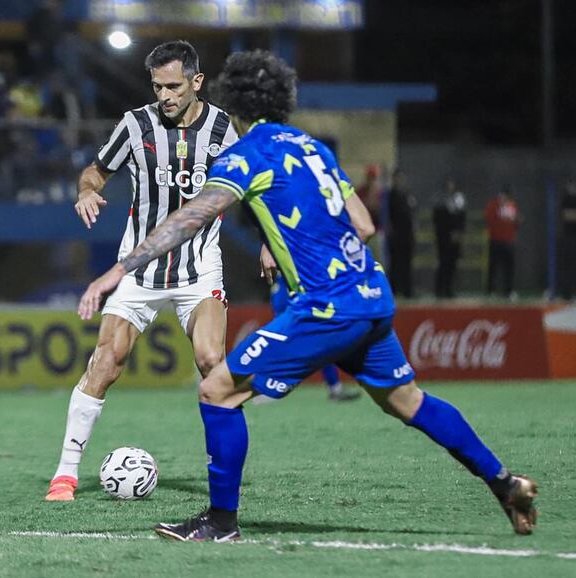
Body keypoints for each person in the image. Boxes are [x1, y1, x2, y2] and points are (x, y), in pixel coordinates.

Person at [78, 50, 538, 541]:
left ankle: (220, 522)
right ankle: (506, 484)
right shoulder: (313, 148)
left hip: (327, 306)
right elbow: (363, 223)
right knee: (408, 400)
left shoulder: (248, 153)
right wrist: (295, 242)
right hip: (372, 296)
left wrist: (118, 270)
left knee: (217, 391)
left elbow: (192, 216)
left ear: (229, 100)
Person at [45, 41, 238, 502]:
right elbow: (95, 171)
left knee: (213, 364)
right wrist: (86, 191)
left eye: (174, 86)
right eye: (157, 87)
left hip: (199, 271)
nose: (165, 95)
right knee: (106, 361)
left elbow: (253, 189)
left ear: (196, 82)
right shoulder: (136, 125)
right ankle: (65, 475)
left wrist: (271, 247)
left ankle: (222, 477)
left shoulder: (225, 130)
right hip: (139, 269)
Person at [269, 271, 359, 401]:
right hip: (291, 306)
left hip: (299, 302)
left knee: (321, 344)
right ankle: (264, 387)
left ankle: (334, 387)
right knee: (282, 345)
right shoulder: (285, 273)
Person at [484, 185, 521, 298]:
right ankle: (491, 291)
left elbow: (516, 223)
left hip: (509, 241)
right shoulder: (493, 204)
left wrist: (516, 220)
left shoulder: (512, 205)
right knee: (493, 267)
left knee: (509, 268)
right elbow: (488, 219)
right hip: (495, 240)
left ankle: (508, 291)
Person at [386, 168, 416, 298]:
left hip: (407, 235)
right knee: (395, 264)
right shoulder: (390, 196)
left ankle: (407, 290)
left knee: (406, 263)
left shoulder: (407, 195)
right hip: (396, 236)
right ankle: (394, 289)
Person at [433, 178, 465, 298]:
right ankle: (440, 290)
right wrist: (446, 233)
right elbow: (437, 220)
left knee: (453, 264)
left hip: (455, 238)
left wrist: (458, 233)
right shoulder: (440, 200)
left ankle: (450, 289)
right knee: (443, 263)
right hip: (443, 238)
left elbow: (461, 218)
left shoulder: (459, 200)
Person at [559, 179, 576, 299]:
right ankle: (567, 293)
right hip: (570, 237)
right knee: (569, 265)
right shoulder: (567, 199)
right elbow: (566, 215)